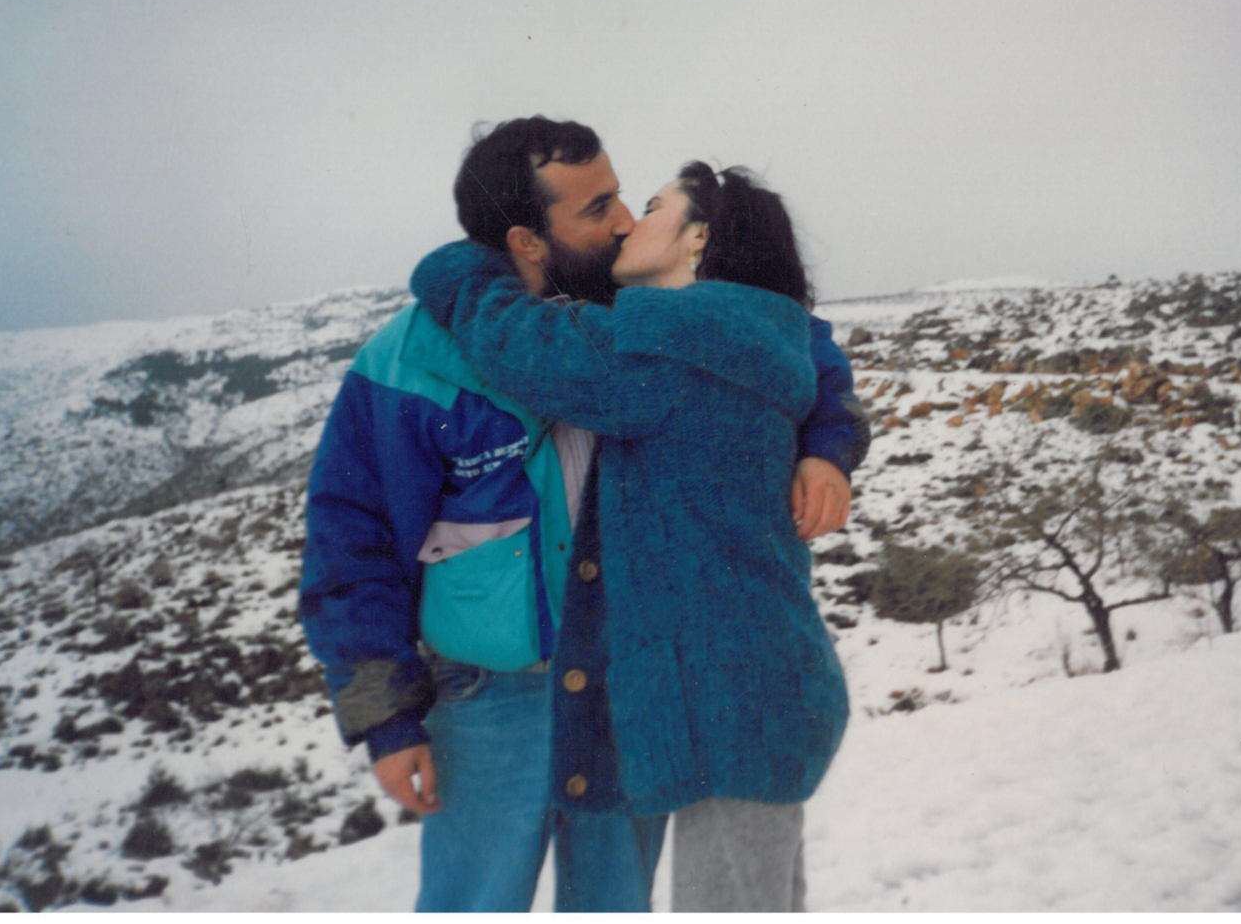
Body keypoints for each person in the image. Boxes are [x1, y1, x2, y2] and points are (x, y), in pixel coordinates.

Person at [299, 119, 869, 912]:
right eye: (599, 207)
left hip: (623, 689)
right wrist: (385, 716)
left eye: (629, 199)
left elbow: (786, 335)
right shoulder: (409, 359)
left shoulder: (643, 319)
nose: (626, 221)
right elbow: (349, 539)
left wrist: (829, 441)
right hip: (487, 703)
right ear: (530, 240)